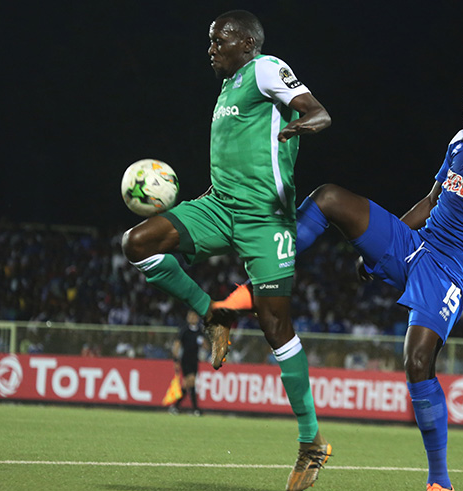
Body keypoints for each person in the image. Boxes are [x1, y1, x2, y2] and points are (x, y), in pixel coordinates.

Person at [218, 67, 463, 491]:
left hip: (451, 272)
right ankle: (253, 283)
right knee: (329, 197)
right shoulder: (461, 143)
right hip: (416, 246)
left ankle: (439, 482)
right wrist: (381, 251)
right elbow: (431, 200)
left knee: (418, 362)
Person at [120, 10, 332, 491]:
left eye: (218, 40)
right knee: (138, 243)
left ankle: (311, 443)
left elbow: (316, 109)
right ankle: (214, 314)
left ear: (246, 42)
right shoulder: (228, 86)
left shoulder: (264, 68)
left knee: (276, 325)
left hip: (265, 219)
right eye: (210, 41)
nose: (211, 48)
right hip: (218, 207)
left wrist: (307, 123)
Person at [169, 310, 205, 416]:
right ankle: (195, 409)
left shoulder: (200, 331)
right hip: (185, 360)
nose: (192, 318)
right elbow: (177, 344)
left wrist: (204, 343)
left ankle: (175, 406)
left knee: (187, 384)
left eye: (194, 316)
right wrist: (176, 359)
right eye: (190, 316)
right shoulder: (184, 330)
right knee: (191, 381)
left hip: (195, 360)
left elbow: (205, 346)